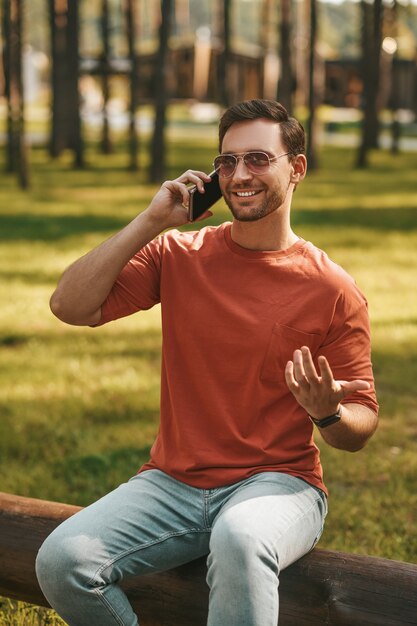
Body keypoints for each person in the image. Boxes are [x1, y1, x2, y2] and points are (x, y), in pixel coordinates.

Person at [36, 99, 378, 626]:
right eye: (227, 162)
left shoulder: (333, 289)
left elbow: (360, 425)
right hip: (172, 482)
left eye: (259, 159)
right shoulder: (177, 254)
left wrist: (328, 412)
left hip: (280, 484)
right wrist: (151, 220)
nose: (240, 175)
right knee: (63, 563)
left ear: (297, 168)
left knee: (240, 538)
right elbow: (69, 306)